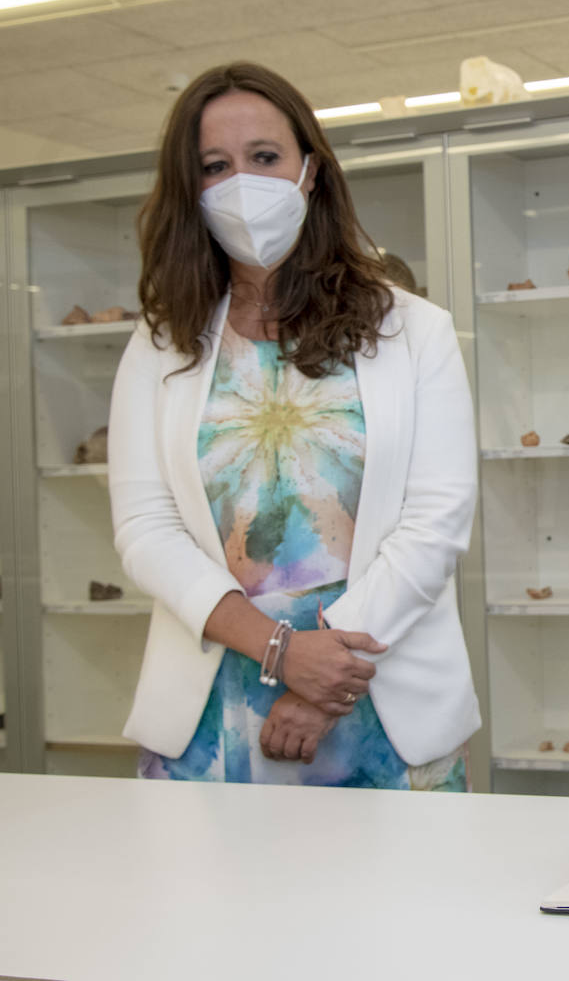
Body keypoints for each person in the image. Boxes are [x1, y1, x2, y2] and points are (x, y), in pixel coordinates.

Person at [109, 62, 480, 789]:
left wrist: (323, 677)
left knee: (399, 905)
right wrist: (281, 652)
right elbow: (145, 530)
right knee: (198, 905)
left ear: (311, 171)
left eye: (265, 157)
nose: (242, 182)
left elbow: (435, 521)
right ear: (191, 190)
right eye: (215, 166)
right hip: (210, 714)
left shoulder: (414, 331)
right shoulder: (159, 347)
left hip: (379, 699)